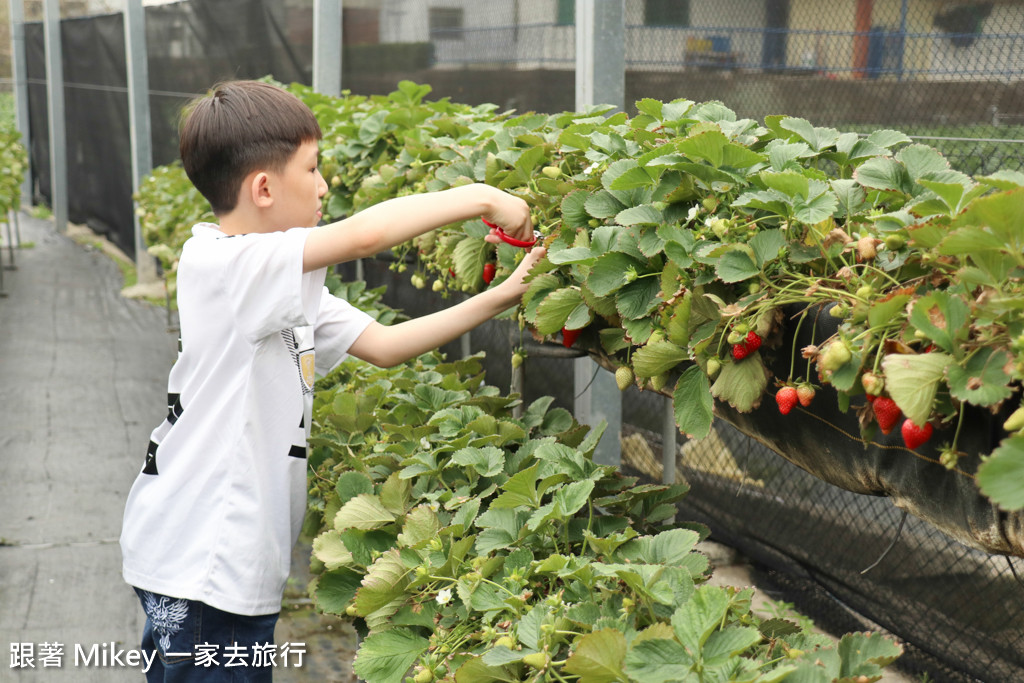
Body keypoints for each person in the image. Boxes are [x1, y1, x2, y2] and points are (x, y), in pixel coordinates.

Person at [119, 79, 545, 682]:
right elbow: (365, 235)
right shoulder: (229, 264)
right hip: (206, 565)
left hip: (205, 558)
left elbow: (386, 347)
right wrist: (480, 197)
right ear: (263, 188)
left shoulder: (271, 280)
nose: (324, 187)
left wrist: (504, 296)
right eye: (312, 169)